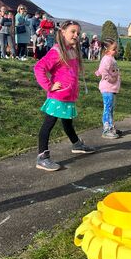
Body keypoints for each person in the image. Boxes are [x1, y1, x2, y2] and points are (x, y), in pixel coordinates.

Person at [34, 20, 96, 171]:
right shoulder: (57, 51)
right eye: (72, 31)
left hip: (69, 96)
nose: (76, 35)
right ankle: (42, 157)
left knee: (67, 122)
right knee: (48, 124)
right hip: (58, 96)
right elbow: (39, 67)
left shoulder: (72, 50)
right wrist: (49, 86)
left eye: (78, 33)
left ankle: (76, 144)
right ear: (62, 32)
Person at [95, 38, 121, 139]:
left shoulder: (111, 58)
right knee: (107, 108)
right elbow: (103, 70)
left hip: (112, 88)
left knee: (111, 108)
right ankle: (106, 130)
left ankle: (111, 127)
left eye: (116, 48)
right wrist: (111, 79)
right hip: (107, 88)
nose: (116, 51)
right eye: (114, 49)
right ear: (107, 50)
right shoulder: (107, 59)